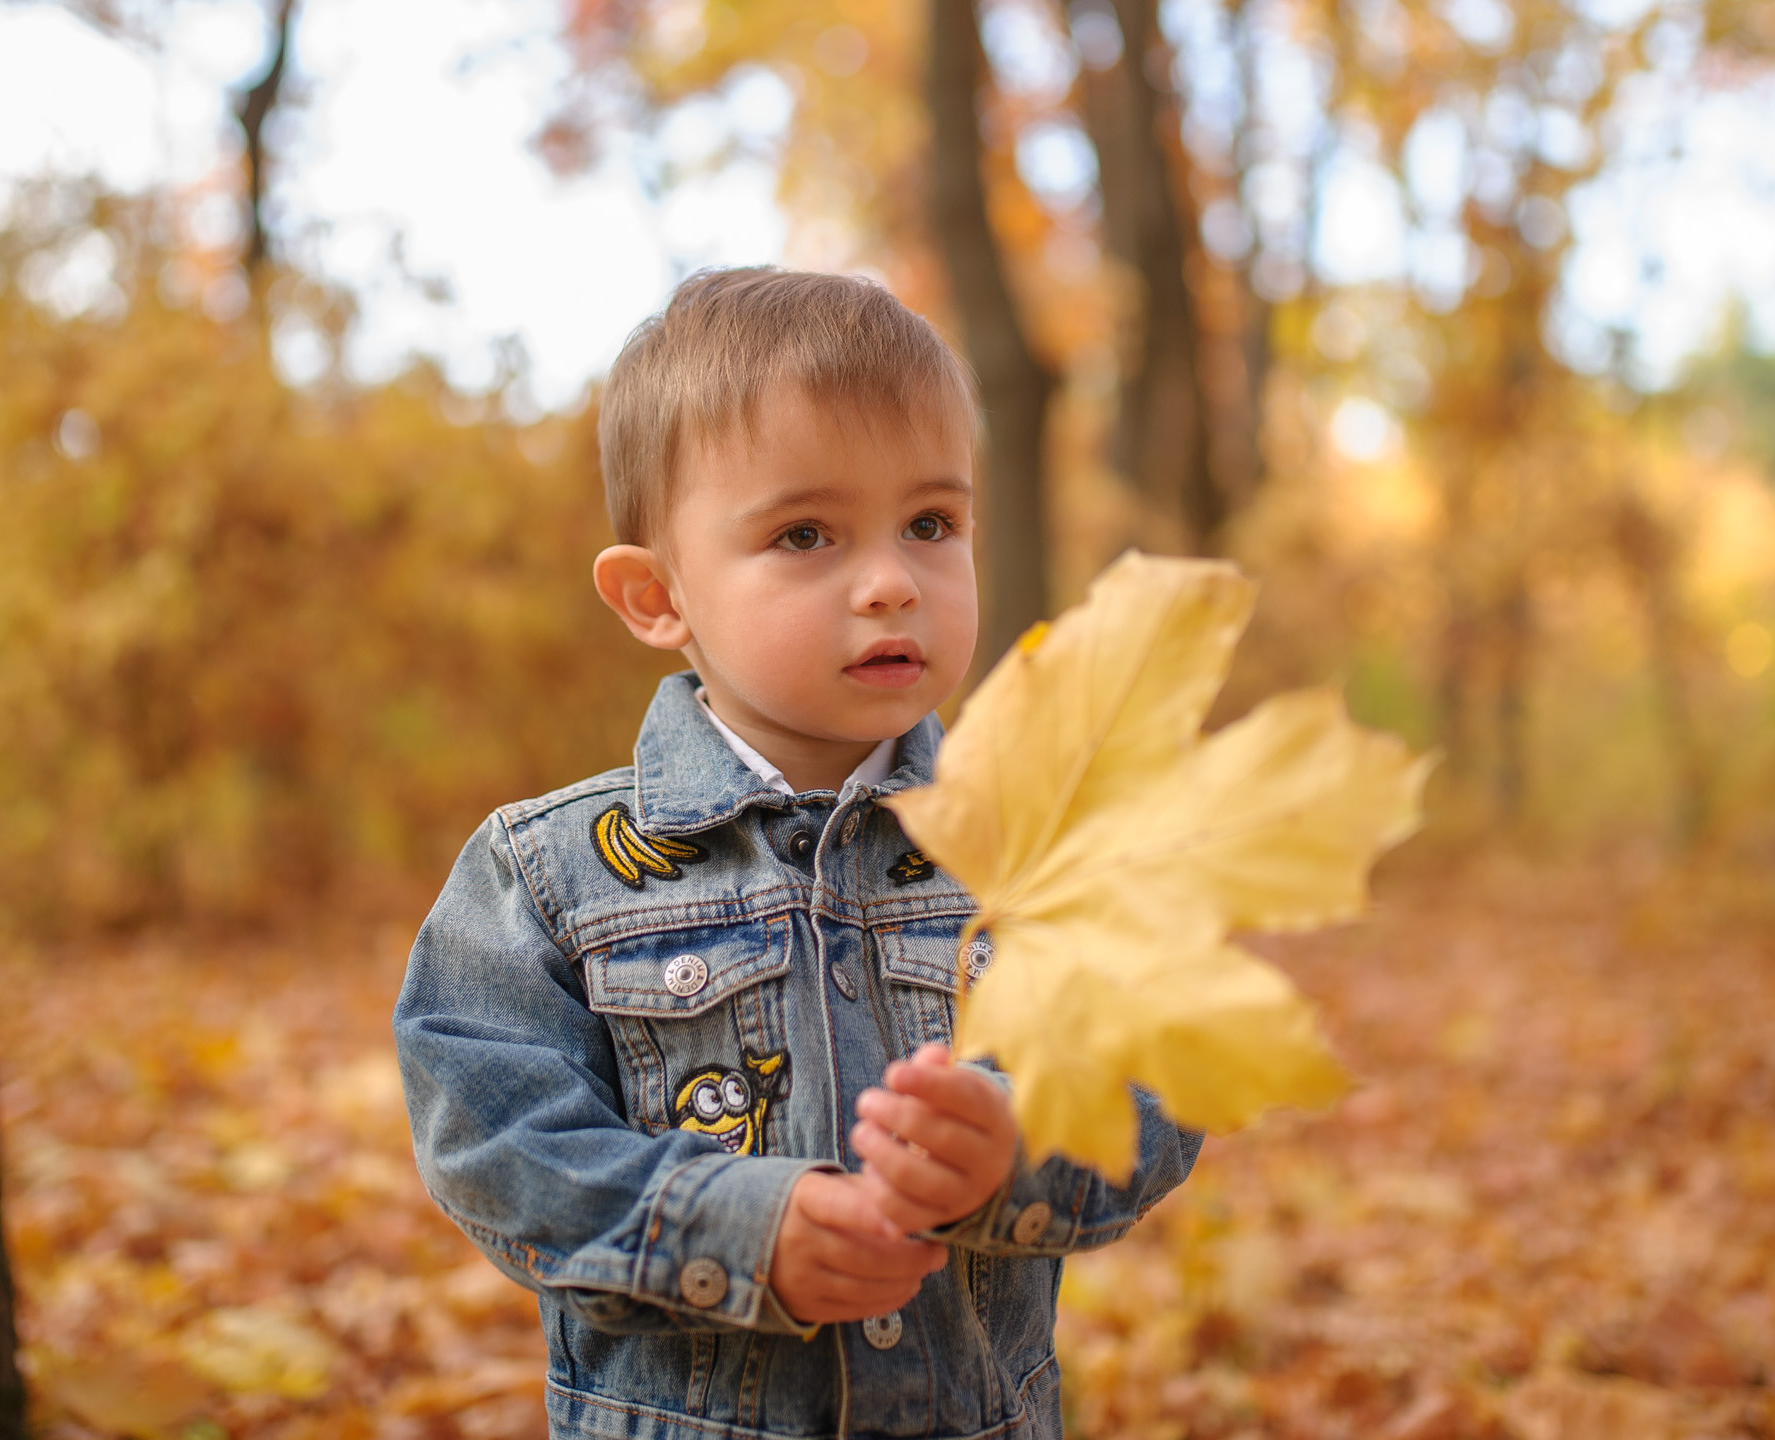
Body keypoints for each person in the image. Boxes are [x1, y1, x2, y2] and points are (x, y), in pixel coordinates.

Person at [393, 267, 1202, 1440]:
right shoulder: (552, 876)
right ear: (657, 595)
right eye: (804, 535)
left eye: (931, 524)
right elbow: (489, 1132)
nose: (889, 583)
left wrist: (1014, 1149)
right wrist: (725, 1224)